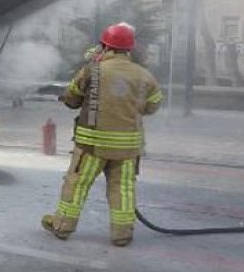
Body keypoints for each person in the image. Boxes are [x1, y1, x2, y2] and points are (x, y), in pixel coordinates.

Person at [42, 22, 163, 247]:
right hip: (128, 147)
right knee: (123, 188)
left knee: (77, 184)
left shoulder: (92, 70)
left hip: (92, 146)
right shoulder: (144, 75)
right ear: (129, 49)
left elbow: (72, 99)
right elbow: (154, 105)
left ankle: (62, 225)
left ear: (105, 46)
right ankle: (122, 234)